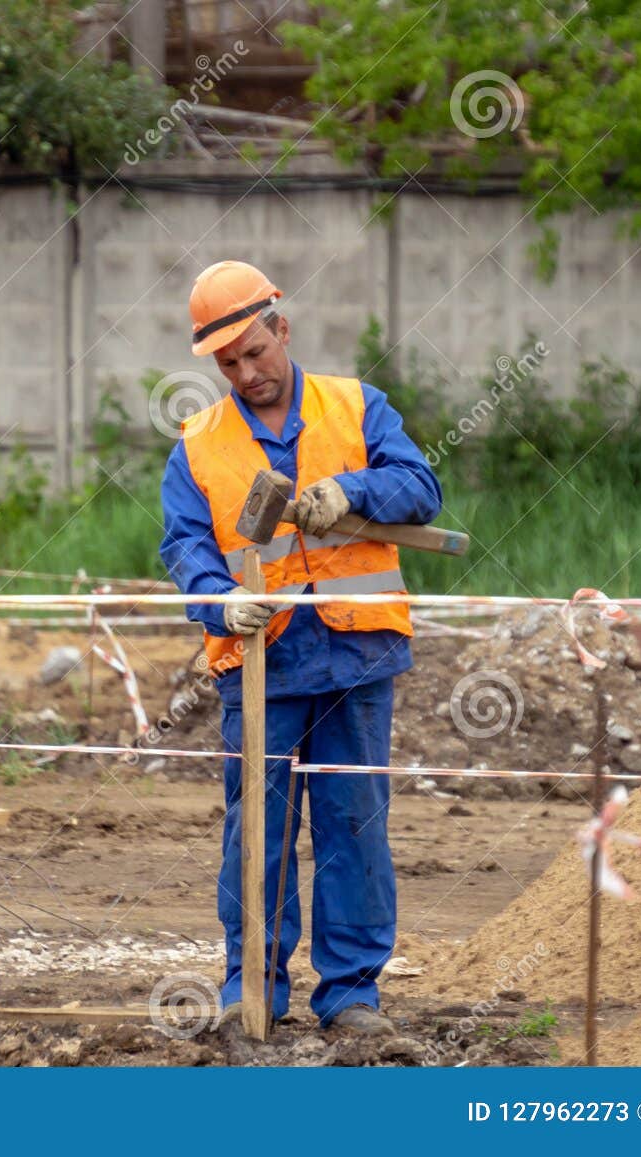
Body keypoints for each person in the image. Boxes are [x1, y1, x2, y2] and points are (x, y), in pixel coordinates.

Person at [158, 260, 442, 1034]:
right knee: (260, 829)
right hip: (263, 664)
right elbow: (185, 548)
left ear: (281, 329)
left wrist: (353, 491)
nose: (246, 373)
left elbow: (421, 486)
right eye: (229, 364)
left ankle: (350, 993)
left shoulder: (355, 406)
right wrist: (222, 600)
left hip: (356, 654)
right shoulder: (197, 445)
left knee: (353, 824)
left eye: (255, 351)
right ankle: (253, 987)